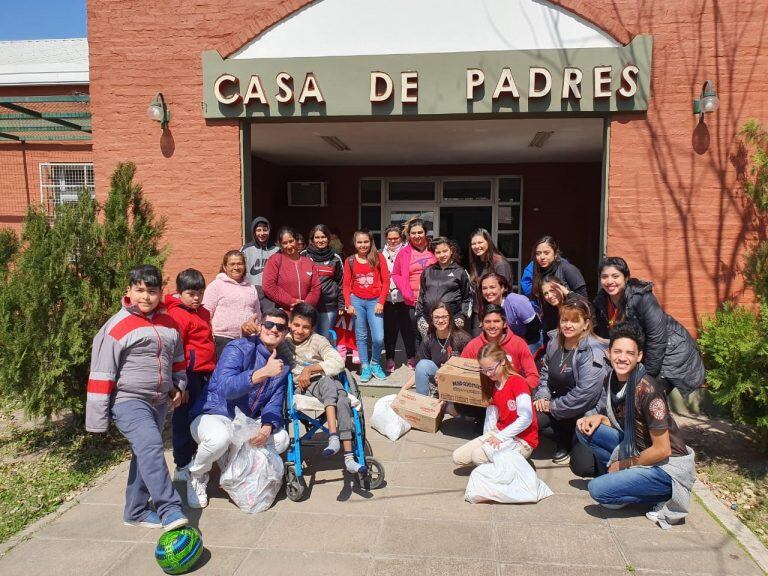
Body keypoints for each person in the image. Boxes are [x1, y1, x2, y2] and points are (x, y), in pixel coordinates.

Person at [86, 264, 188, 531]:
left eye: (151, 291)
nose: (145, 297)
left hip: (159, 401)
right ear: (128, 291)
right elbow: (101, 372)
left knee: (144, 452)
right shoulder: (117, 326)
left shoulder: (169, 323)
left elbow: (177, 358)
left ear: (161, 293)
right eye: (139, 290)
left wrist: (178, 385)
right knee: (152, 447)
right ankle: (169, 509)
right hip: (129, 400)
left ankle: (136, 510)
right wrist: (97, 421)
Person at [576, 322, 696, 528]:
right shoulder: (613, 378)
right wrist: (600, 419)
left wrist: (622, 465)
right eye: (618, 351)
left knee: (597, 490)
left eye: (630, 353)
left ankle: (661, 493)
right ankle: (626, 482)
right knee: (585, 430)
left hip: (666, 466)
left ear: (639, 356)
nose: (623, 358)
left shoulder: (649, 392)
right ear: (608, 352)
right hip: (637, 447)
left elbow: (662, 450)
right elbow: (625, 423)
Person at [186, 309, 292, 509]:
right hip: (213, 413)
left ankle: (235, 466)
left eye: (280, 327)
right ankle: (197, 474)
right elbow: (225, 388)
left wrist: (267, 427)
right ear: (260, 326)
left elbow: (274, 403)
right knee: (220, 438)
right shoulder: (238, 348)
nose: (273, 330)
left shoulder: (282, 366)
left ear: (285, 333)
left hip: (243, 422)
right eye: (269, 324)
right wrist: (261, 373)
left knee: (281, 438)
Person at [592, 257, 705, 395]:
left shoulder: (643, 298)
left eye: (615, 276)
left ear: (626, 277)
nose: (610, 281)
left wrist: (648, 375)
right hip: (644, 353)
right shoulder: (602, 300)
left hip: (670, 351)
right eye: (605, 277)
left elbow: (657, 339)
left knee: (649, 395)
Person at [286, 303, 367, 474]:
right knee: (330, 384)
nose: (300, 330)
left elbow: (338, 362)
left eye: (306, 327)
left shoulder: (318, 340)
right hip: (304, 386)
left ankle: (348, 457)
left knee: (343, 399)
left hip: (324, 380)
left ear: (313, 328)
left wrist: (311, 368)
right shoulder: (284, 342)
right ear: (290, 323)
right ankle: (336, 440)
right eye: (296, 325)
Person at [533, 297, 609, 470]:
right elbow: (545, 372)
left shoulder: (592, 351)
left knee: (583, 468)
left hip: (585, 411)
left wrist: (551, 406)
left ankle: (575, 439)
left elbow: (585, 396)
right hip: (559, 405)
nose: (567, 325)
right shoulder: (554, 341)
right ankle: (564, 440)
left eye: (574, 321)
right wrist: (543, 395)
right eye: (564, 320)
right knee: (530, 418)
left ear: (586, 324)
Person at [164, 269, 216, 483]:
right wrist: (179, 385)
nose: (196, 298)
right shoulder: (176, 315)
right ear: (179, 292)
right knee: (183, 421)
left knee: (201, 418)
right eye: (191, 294)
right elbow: (175, 351)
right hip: (188, 375)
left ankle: (197, 457)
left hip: (205, 372)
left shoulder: (203, 312)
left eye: (200, 293)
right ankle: (182, 464)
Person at [452, 343, 538, 466]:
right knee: (458, 457)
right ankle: (502, 462)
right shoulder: (492, 383)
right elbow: (491, 416)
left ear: (503, 361)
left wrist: (501, 437)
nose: (488, 374)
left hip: (522, 439)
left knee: (478, 456)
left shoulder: (518, 382)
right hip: (500, 432)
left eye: (491, 369)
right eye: (484, 370)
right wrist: (488, 437)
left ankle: (507, 468)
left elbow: (526, 418)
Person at [342, 229, 390, 382]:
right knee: (361, 336)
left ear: (371, 242)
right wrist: (348, 304)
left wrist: (381, 301)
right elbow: (346, 286)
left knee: (378, 337)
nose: (363, 245)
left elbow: (386, 281)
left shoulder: (378, 257)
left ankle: (375, 363)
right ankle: (365, 366)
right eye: (359, 242)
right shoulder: (349, 260)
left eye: (366, 242)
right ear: (355, 243)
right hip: (357, 301)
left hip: (374, 302)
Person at [461, 304, 539, 390]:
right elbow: (461, 373)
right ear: (481, 324)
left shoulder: (518, 343)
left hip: (512, 396)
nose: (492, 326)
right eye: (487, 322)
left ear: (505, 323)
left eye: (496, 321)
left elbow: (533, 376)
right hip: (483, 397)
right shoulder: (473, 346)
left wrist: (519, 391)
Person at [402, 302, 472, 397]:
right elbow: (419, 371)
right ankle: (422, 402)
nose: (440, 320)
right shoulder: (428, 340)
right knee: (422, 365)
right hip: (438, 380)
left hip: (459, 382)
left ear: (450, 318)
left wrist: (447, 373)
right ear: (431, 319)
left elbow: (470, 368)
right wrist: (403, 390)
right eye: (436, 317)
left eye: (444, 317)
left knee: (450, 409)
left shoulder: (462, 338)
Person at [203, 250, 261, 359]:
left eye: (239, 263)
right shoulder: (216, 286)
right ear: (225, 267)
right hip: (223, 340)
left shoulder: (251, 288)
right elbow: (206, 314)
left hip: (248, 340)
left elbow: (257, 313)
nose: (236, 267)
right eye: (232, 264)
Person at [414, 236, 473, 337]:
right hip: (429, 321)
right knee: (431, 349)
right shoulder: (428, 271)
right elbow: (421, 295)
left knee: (450, 350)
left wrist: (462, 316)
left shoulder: (460, 272)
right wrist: (419, 316)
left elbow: (468, 297)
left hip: (452, 320)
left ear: (451, 250)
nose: (442, 255)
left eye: (445, 251)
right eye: (438, 252)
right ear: (434, 254)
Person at [391, 217, 436, 346]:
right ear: (409, 235)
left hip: (434, 300)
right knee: (417, 334)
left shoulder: (434, 248)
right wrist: (406, 292)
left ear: (425, 233)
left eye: (420, 232)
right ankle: (420, 364)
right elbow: (396, 273)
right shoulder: (403, 253)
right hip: (413, 301)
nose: (417, 236)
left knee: (435, 332)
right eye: (413, 233)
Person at [531, 236, 588, 336]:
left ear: (555, 253)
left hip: (572, 324)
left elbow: (584, 300)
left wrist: (567, 293)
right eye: (538, 253)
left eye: (546, 253)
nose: (542, 257)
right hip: (551, 327)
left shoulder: (567, 269)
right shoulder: (538, 272)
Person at [381, 224, 417, 372]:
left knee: (408, 330)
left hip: (405, 299)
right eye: (389, 239)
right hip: (388, 299)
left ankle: (411, 357)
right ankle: (390, 358)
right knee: (389, 331)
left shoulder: (409, 253)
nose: (393, 241)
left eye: (396, 238)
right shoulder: (380, 254)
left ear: (401, 238)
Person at [262, 226, 321, 312]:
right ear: (280, 244)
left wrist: (305, 306)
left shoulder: (308, 262)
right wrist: (292, 302)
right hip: (284, 313)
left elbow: (316, 287)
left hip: (306, 313)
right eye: (285, 243)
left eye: (291, 241)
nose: (289, 246)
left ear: (296, 240)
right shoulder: (275, 260)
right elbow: (268, 286)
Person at [478, 272, 541, 351]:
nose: (488, 292)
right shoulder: (487, 307)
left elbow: (534, 326)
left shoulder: (516, 301)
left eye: (492, 287)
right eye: (484, 288)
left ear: (502, 288)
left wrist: (521, 346)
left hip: (532, 340)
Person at [302, 224, 345, 339]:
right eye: (317, 237)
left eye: (323, 237)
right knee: (308, 338)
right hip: (308, 305)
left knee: (324, 338)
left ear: (328, 238)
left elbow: (341, 282)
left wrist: (341, 304)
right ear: (312, 239)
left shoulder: (335, 258)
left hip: (329, 306)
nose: (320, 240)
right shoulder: (304, 256)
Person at [467, 228, 513, 334]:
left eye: (480, 242)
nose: (477, 246)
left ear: (488, 241)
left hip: (494, 316)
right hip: (478, 314)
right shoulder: (476, 263)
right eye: (473, 243)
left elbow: (502, 294)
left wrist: (489, 317)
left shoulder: (500, 263)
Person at [241, 216, 279, 312]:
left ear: (269, 231)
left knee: (268, 322)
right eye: (258, 230)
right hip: (251, 293)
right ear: (254, 232)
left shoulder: (277, 250)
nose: (262, 233)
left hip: (270, 296)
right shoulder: (245, 249)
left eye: (265, 230)